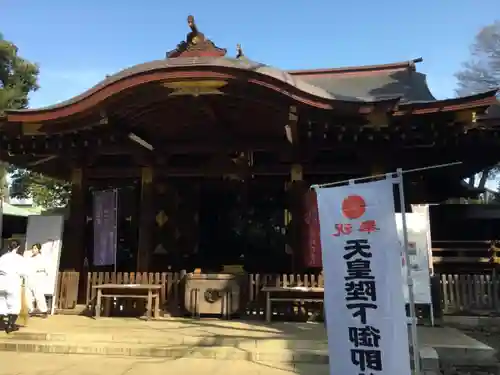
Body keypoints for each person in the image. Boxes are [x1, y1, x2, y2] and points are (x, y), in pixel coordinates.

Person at [0, 240, 29, 333]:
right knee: (14, 304)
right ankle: (10, 325)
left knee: (2, 303)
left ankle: (1, 324)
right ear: (17, 247)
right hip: (12, 282)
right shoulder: (19, 259)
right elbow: (24, 272)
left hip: (1, 281)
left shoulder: (2, 257)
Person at [25, 243, 49, 317]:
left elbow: (46, 270)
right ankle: (30, 310)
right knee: (28, 295)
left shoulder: (42, 258)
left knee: (39, 295)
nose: (34, 250)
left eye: (35, 248)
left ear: (39, 249)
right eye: (33, 248)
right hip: (29, 277)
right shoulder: (29, 258)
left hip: (38, 278)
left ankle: (44, 311)